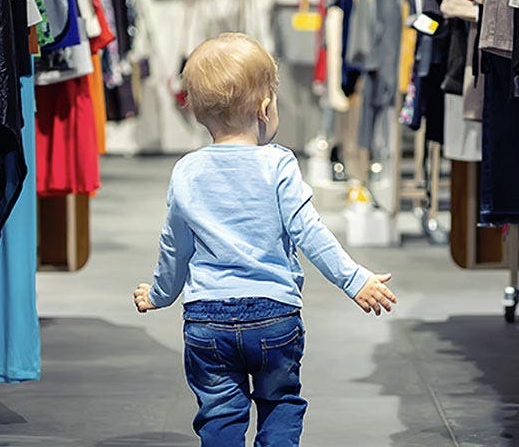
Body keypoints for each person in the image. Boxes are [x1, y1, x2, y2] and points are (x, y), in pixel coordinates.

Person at [132, 32, 397, 447]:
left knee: (219, 412)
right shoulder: (278, 165)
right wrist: (354, 279)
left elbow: (174, 246)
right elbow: (309, 231)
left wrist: (161, 295)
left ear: (198, 113)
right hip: (274, 316)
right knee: (280, 403)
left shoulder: (187, 170)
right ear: (266, 107)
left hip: (206, 319)